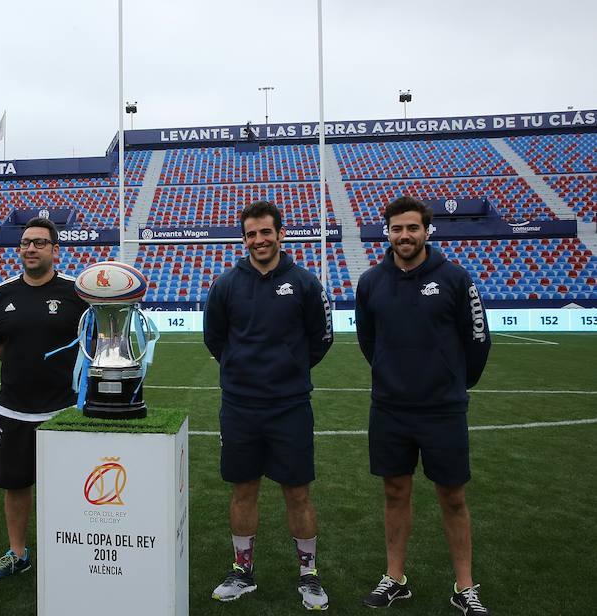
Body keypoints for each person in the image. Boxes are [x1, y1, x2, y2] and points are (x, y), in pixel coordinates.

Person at [354, 196, 492, 615]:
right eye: (397, 229)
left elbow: (478, 338)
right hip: (390, 408)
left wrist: (454, 382)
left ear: (426, 230)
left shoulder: (454, 277)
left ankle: (464, 587)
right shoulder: (371, 281)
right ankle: (395, 579)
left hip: (442, 409)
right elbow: (367, 340)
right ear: (388, 232)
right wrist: (390, 375)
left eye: (412, 228)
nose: (404, 236)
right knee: (395, 493)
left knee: (452, 497)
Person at [203, 200, 334, 610]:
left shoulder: (305, 283)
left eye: (265, 232)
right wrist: (242, 371)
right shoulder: (226, 284)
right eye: (251, 234)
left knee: (297, 492)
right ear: (244, 239)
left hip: (289, 406)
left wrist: (289, 370)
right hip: (240, 407)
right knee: (243, 490)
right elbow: (215, 338)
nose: (258, 240)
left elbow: (321, 338)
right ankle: (242, 571)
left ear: (280, 234)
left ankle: (308, 575)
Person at [0, 217, 88, 583]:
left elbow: (95, 341)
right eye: (25, 242)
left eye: (40, 242)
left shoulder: (78, 291)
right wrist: (21, 361)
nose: (30, 248)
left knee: (71, 487)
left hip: (65, 410)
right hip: (13, 408)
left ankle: (69, 553)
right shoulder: (2, 294)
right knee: (16, 484)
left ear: (56, 250)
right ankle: (18, 553)